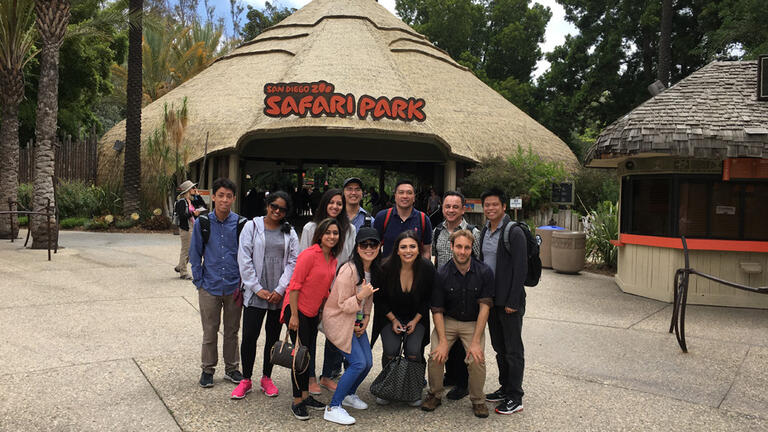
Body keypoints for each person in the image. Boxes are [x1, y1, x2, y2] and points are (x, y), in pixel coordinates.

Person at [231, 191, 300, 400]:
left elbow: (293, 262)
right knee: (249, 337)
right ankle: (246, 379)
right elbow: (244, 258)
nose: (277, 211)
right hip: (256, 293)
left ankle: (266, 377)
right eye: (274, 207)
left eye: (282, 209)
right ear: (267, 205)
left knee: (272, 337)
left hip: (277, 295)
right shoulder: (252, 227)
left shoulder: (290, 232)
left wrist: (280, 290)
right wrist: (256, 287)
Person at [421, 230, 493, 418]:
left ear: (471, 249)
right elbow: (436, 309)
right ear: (451, 247)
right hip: (448, 321)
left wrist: (476, 341)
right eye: (459, 247)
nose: (462, 251)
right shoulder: (442, 273)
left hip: (472, 323)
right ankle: (435, 394)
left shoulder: (484, 272)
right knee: (436, 355)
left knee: (477, 358)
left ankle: (478, 400)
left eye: (467, 247)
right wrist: (443, 341)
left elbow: (485, 308)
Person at [282, 218, 342, 421]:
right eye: (328, 233)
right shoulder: (309, 255)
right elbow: (295, 285)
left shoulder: (332, 258)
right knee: (299, 358)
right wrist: (294, 316)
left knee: (307, 355)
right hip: (296, 310)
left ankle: (306, 396)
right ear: (320, 235)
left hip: (312, 312)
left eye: (335, 233)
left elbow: (325, 288)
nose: (332, 236)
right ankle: (297, 401)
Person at [321, 227, 382, 425]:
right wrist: (360, 296)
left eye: (373, 244)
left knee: (368, 363)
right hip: (338, 321)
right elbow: (341, 305)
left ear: (379, 246)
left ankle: (349, 394)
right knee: (357, 363)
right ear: (357, 247)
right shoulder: (349, 270)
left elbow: (369, 298)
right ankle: (333, 406)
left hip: (355, 321)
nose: (369, 248)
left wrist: (365, 318)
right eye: (364, 244)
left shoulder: (372, 269)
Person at [299, 188, 356, 393]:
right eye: (331, 202)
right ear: (324, 204)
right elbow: (303, 258)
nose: (335, 206)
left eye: (339, 203)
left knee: (336, 334)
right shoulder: (310, 228)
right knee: (311, 334)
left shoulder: (349, 230)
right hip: (313, 291)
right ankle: (310, 376)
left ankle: (329, 374)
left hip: (339, 291)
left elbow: (349, 259)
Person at [189, 178, 244, 388]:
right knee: (210, 330)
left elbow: (246, 255)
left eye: (228, 196)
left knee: (232, 330)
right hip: (209, 287)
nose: (224, 200)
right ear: (213, 197)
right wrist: (199, 281)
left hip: (233, 287)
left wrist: (242, 282)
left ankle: (232, 368)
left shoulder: (240, 224)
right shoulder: (203, 223)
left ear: (234, 199)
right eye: (220, 195)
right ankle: (208, 369)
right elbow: (195, 255)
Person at [371, 231, 435, 406]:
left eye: (412, 246)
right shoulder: (384, 268)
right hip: (390, 316)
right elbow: (380, 299)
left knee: (414, 352)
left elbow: (428, 298)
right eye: (404, 247)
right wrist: (393, 320)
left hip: (417, 316)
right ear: (397, 250)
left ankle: (413, 390)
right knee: (391, 351)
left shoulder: (427, 268)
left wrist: (415, 321)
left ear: (418, 249)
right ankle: (387, 387)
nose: (408, 251)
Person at [479, 188, 528, 415]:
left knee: (513, 350)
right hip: (492, 300)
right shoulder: (484, 232)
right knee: (499, 348)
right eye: (486, 205)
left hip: (509, 301)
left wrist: (513, 300)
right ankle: (505, 387)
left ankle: (515, 396)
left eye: (494, 204)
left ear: (504, 207)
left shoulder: (513, 232)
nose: (490, 208)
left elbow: (520, 269)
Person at [432, 191, 482, 400]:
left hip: (466, 291)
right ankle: (451, 375)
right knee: (446, 335)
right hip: (444, 292)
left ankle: (463, 383)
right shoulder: (437, 231)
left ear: (463, 209)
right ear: (442, 208)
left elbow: (478, 261)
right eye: (447, 206)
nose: (451, 210)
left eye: (455, 207)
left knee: (463, 342)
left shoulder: (473, 232)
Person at [373, 179, 432, 259]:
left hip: (415, 270)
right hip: (387, 270)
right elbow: (374, 247)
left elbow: (426, 251)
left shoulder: (423, 219)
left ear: (414, 197)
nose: (405, 196)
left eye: (409, 193)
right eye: (401, 192)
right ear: (395, 196)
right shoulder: (382, 217)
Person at [174, 180, 205, 280]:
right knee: (186, 250)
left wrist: (198, 195)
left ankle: (180, 266)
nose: (195, 189)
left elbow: (203, 205)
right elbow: (182, 216)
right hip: (186, 228)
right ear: (187, 190)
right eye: (193, 188)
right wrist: (193, 214)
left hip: (192, 227)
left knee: (189, 249)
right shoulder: (181, 202)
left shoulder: (190, 201)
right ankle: (183, 272)